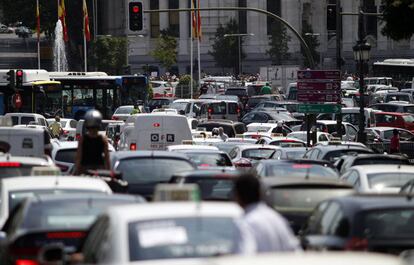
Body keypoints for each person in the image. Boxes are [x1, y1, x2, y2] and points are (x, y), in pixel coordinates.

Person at [234, 174, 301, 252]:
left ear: (238, 195)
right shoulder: (276, 218)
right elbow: (295, 250)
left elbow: (244, 255)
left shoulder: (246, 223)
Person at [74, 110, 110, 175]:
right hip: (99, 171)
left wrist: (76, 172)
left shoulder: (82, 139)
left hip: (85, 171)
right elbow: (107, 158)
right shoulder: (103, 139)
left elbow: (78, 157)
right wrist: (109, 172)